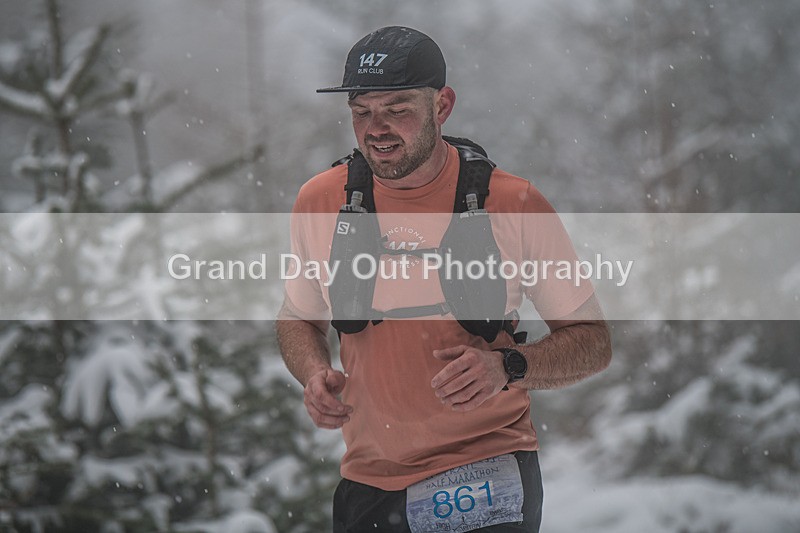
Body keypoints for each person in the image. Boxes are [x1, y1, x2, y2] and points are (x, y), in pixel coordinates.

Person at [276, 26, 611, 532]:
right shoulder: (321, 202)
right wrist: (313, 373)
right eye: (361, 111)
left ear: (443, 105)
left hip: (485, 469)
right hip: (369, 481)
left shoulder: (513, 203)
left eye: (398, 108)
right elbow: (298, 320)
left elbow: (593, 342)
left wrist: (507, 366)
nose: (377, 128)